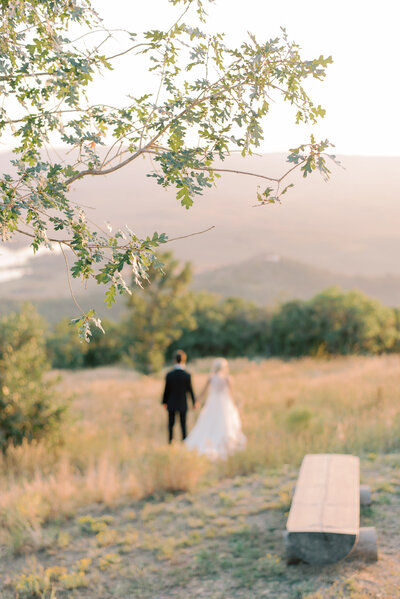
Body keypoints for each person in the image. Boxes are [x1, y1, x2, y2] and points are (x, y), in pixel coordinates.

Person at [184, 358, 246, 459]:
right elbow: (231, 394)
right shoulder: (227, 378)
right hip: (224, 404)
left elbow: (203, 392)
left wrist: (197, 400)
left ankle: (213, 442)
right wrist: (234, 405)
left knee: (209, 422)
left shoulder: (211, 378)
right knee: (225, 423)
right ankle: (225, 442)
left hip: (212, 404)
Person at [162, 349, 197, 443]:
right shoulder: (187, 375)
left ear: (174, 360)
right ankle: (184, 441)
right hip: (182, 403)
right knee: (183, 424)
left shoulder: (169, 375)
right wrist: (194, 402)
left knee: (171, 424)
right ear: (184, 360)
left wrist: (164, 402)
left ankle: (170, 441)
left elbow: (166, 390)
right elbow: (190, 390)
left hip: (171, 403)